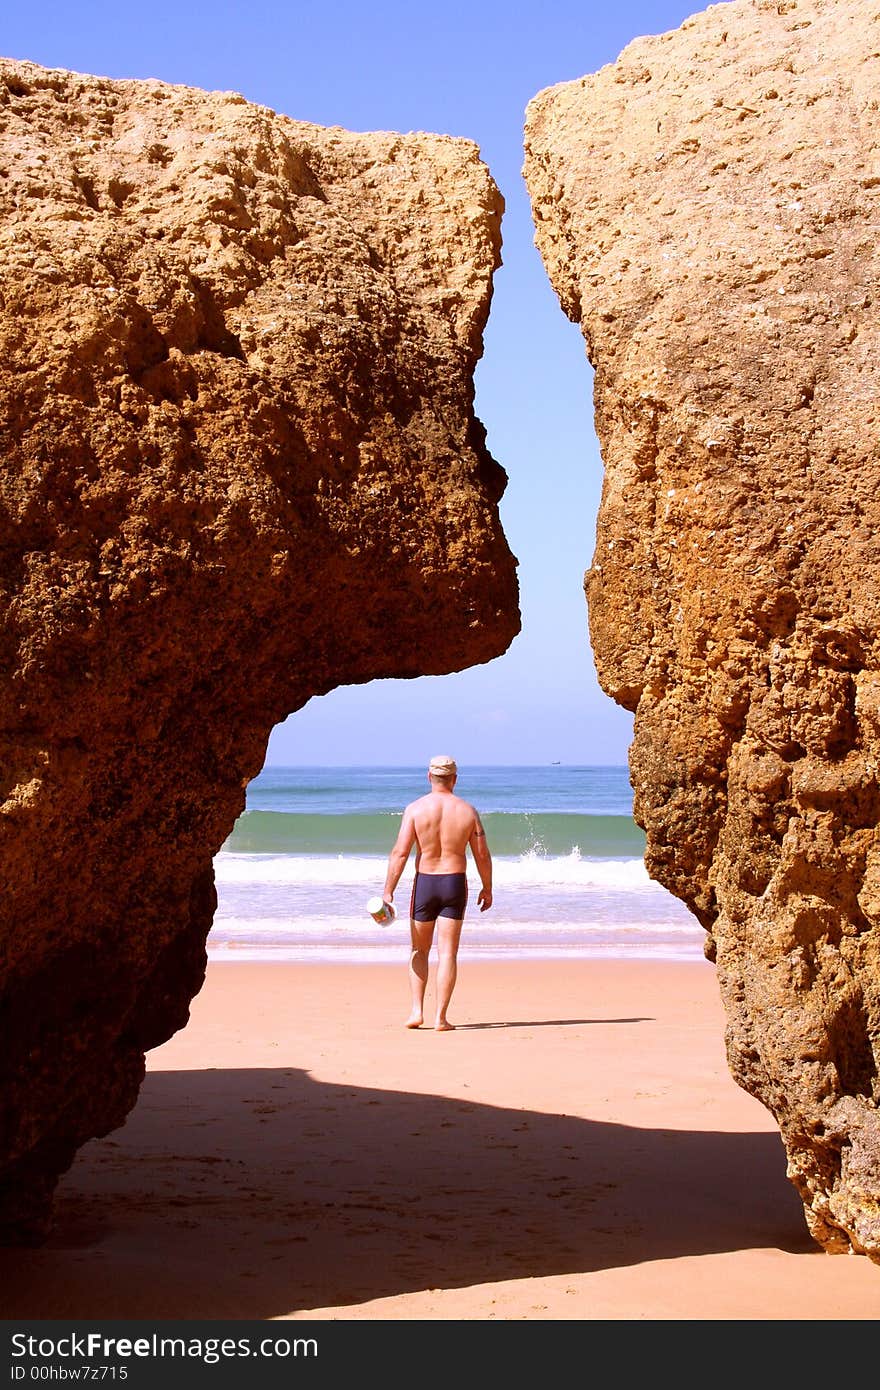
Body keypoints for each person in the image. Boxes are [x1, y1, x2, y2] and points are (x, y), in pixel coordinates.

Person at [383, 755, 492, 1031]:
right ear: (455, 779)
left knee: (419, 949)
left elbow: (400, 852)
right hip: (454, 883)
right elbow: (482, 854)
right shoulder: (468, 811)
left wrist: (388, 892)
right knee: (447, 953)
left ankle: (416, 1012)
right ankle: (440, 1018)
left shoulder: (415, 809)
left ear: (429, 777)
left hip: (426, 885)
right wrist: (487, 887)